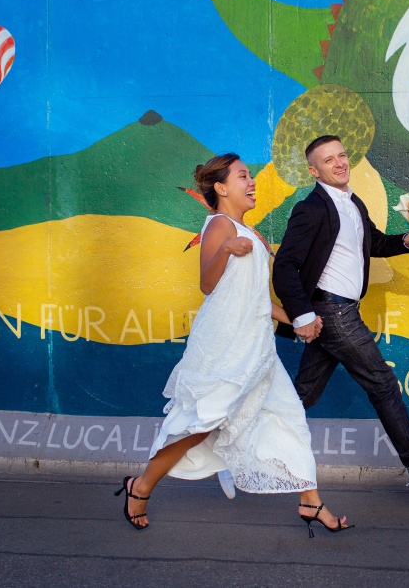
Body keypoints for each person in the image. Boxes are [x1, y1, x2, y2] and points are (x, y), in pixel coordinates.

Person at [116, 153, 351, 537]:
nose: (252, 182)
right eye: (243, 176)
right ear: (222, 188)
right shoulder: (220, 226)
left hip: (257, 348)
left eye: (250, 176)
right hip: (225, 346)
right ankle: (139, 487)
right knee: (201, 424)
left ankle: (311, 502)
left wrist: (299, 320)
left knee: (288, 417)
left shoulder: (249, 232)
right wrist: (225, 249)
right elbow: (207, 285)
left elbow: (256, 299)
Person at [272, 135, 409, 500]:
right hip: (332, 311)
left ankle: (238, 454)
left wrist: (403, 242)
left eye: (341, 155)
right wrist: (301, 316)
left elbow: (373, 243)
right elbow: (285, 266)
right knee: (382, 384)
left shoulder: (352, 202)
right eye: (328, 160)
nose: (339, 163)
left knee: (303, 394)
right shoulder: (311, 209)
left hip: (340, 310)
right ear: (313, 171)